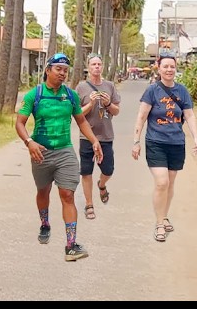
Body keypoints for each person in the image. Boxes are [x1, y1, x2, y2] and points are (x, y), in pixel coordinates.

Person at [15, 52, 104, 262]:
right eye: (58, 69)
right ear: (48, 70)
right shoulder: (35, 95)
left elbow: (81, 120)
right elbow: (20, 123)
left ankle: (71, 245)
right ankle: (45, 223)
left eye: (65, 70)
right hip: (41, 152)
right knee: (43, 191)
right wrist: (29, 142)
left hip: (65, 151)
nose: (63, 73)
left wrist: (94, 140)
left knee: (67, 195)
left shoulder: (71, 96)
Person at [131, 51, 197, 242]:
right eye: (165, 66)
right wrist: (136, 141)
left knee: (170, 182)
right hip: (156, 142)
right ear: (159, 69)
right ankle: (159, 223)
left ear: (175, 69)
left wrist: (196, 137)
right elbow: (141, 117)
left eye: (172, 66)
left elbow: (189, 115)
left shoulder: (182, 91)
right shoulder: (152, 91)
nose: (169, 70)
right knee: (162, 182)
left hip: (176, 143)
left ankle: (164, 215)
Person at [74, 53, 121, 220]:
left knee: (108, 170)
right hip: (86, 136)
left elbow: (116, 111)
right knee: (86, 171)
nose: (96, 67)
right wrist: (91, 103)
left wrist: (108, 103)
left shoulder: (109, 86)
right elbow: (77, 113)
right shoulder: (81, 88)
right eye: (93, 64)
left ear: (102, 67)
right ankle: (89, 204)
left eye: (99, 64)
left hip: (106, 136)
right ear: (88, 67)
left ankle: (102, 184)